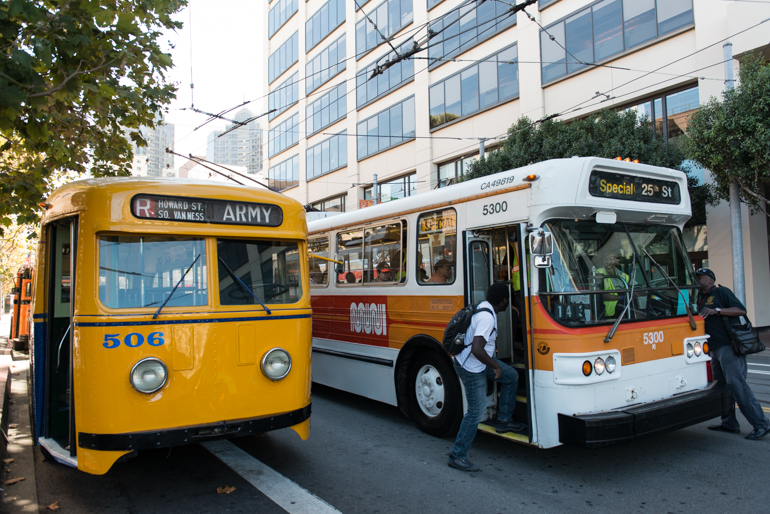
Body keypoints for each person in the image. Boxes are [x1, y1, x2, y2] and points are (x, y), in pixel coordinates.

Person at [448, 282, 524, 472]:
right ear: (504, 300)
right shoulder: (487, 318)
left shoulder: (484, 307)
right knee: (476, 411)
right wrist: (496, 366)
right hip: (472, 367)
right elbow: (476, 350)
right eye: (510, 299)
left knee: (511, 376)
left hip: (481, 362)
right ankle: (457, 454)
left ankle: (504, 419)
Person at [696, 268, 770, 440]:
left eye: (702, 277)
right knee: (722, 386)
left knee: (737, 384)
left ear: (711, 280)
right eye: (697, 277)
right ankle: (729, 422)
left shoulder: (721, 292)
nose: (698, 280)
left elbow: (740, 310)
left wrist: (717, 311)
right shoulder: (700, 298)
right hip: (714, 348)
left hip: (728, 347)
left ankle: (761, 423)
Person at [596, 253, 629, 318]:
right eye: (605, 259)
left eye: (611, 259)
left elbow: (636, 287)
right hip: (607, 310)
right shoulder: (598, 273)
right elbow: (599, 296)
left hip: (623, 305)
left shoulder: (623, 275)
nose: (608, 261)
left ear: (617, 261)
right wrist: (623, 297)